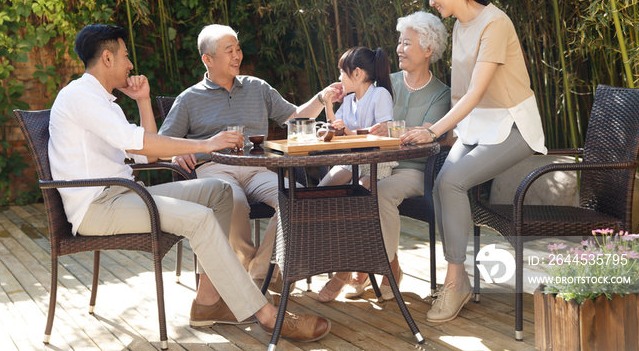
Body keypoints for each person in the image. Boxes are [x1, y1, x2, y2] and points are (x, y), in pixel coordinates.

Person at [48, 23, 331, 342]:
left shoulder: (101, 101)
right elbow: (142, 145)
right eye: (126, 56)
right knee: (199, 218)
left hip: (125, 193)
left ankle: (208, 302)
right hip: (100, 207)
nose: (131, 64)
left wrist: (143, 101)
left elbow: (144, 158)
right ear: (108, 59)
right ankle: (265, 314)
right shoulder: (81, 97)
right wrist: (204, 145)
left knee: (220, 192)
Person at [406, 0, 546, 323]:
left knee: (451, 181)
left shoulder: (495, 23)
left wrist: (433, 130)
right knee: (440, 183)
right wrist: (449, 135)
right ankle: (460, 277)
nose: (431, 1)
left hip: (513, 125)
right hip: (478, 126)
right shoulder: (460, 27)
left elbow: (476, 91)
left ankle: (455, 281)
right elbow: (460, 94)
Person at [159, 24, 337, 289]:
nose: (237, 55)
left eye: (238, 48)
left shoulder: (257, 88)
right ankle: (259, 273)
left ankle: (258, 272)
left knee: (297, 199)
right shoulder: (188, 99)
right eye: (229, 50)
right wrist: (177, 155)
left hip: (258, 169)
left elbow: (295, 118)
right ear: (207, 59)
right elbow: (163, 143)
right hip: (214, 169)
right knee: (233, 204)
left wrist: (322, 98)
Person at [317, 11, 451, 303]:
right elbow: (352, 111)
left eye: (408, 43)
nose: (399, 49)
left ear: (429, 50)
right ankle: (364, 265)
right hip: (367, 162)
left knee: (377, 192)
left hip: (412, 169)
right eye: (400, 42)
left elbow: (426, 134)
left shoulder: (441, 94)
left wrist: (392, 130)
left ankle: (381, 269)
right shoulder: (381, 83)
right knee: (337, 190)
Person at [318, 46, 394, 189]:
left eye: (342, 72)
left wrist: (350, 132)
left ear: (357, 73)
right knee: (320, 191)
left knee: (357, 195)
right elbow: (336, 129)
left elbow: (383, 131)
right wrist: (328, 106)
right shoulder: (348, 100)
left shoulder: (380, 94)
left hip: (376, 162)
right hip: (351, 160)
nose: (339, 78)